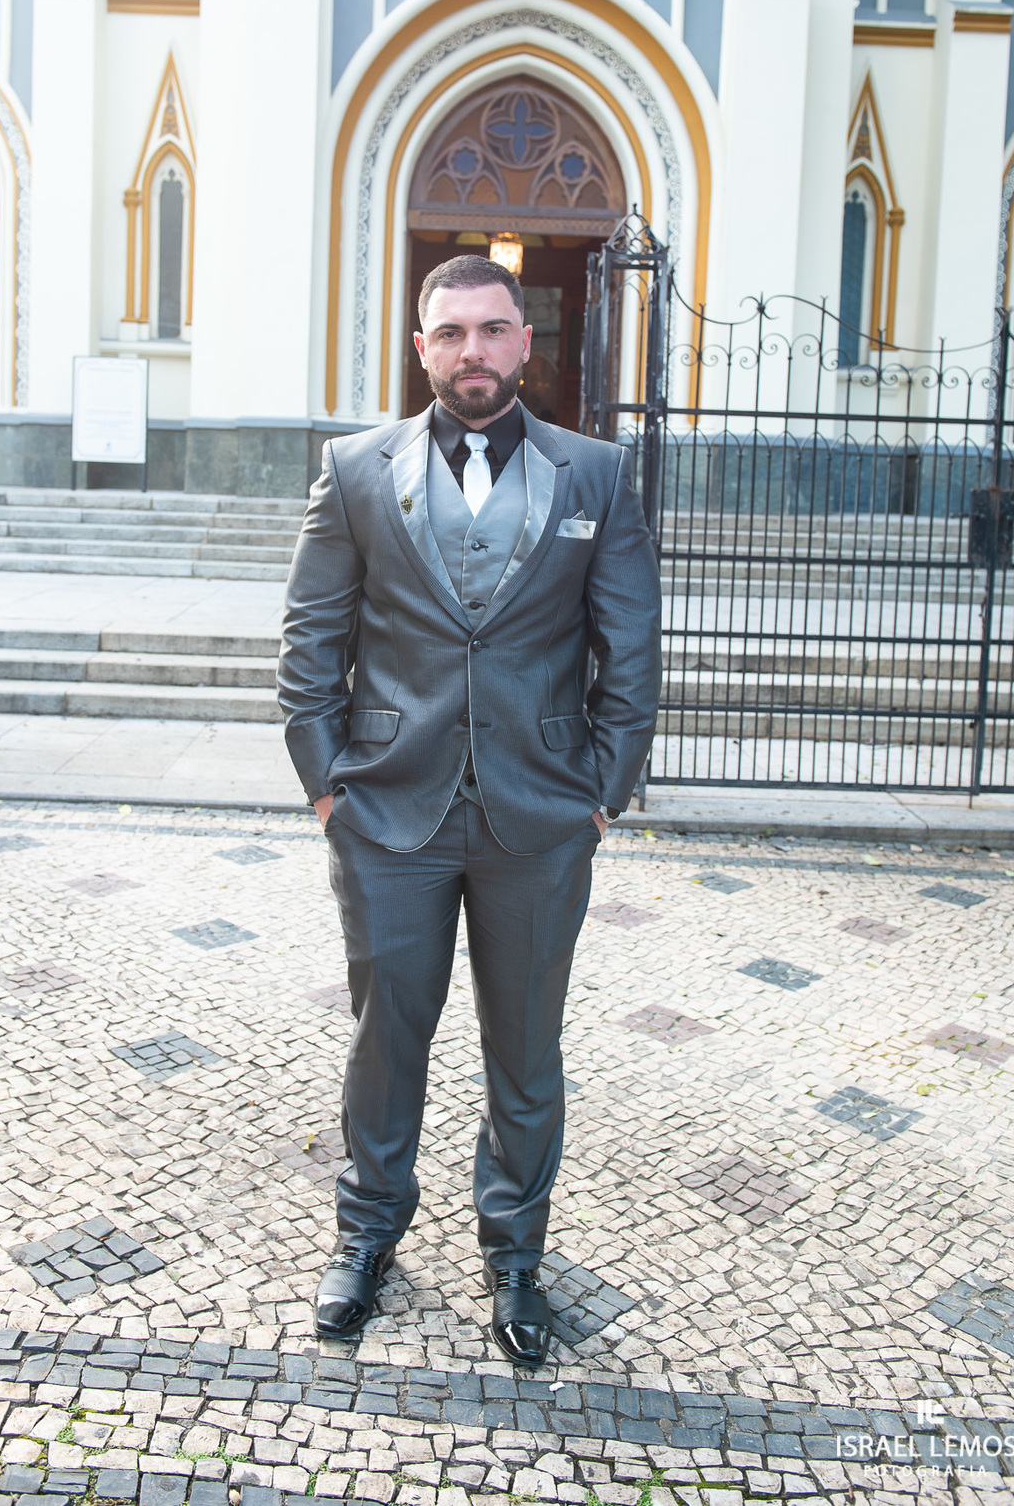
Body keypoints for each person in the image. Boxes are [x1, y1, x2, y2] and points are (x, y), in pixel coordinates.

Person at [278, 253, 661, 1366]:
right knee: (385, 1038)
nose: (474, 352)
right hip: (388, 813)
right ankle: (366, 1236)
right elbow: (310, 639)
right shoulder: (354, 470)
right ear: (420, 345)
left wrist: (602, 791)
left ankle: (516, 1257)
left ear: (524, 342)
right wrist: (325, 784)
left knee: (525, 1051)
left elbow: (627, 646)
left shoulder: (594, 474)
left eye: (494, 330)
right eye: (451, 333)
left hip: (541, 820)